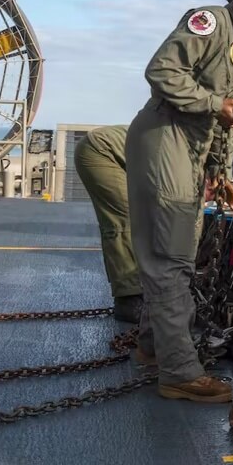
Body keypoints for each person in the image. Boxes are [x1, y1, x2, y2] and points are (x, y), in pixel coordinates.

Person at [125, 0, 233, 403]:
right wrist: (213, 102)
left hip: (193, 148)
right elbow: (162, 71)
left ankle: (154, 347)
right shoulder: (208, 22)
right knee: (170, 257)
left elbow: (229, 119)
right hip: (165, 135)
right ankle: (178, 372)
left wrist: (220, 171)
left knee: (180, 252)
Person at [73, 124, 144, 324]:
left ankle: (140, 288)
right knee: (125, 220)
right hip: (100, 151)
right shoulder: (185, 163)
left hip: (118, 155)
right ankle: (128, 300)